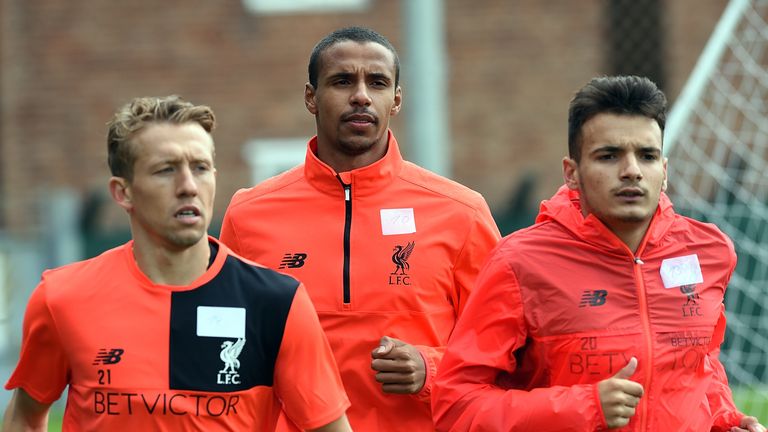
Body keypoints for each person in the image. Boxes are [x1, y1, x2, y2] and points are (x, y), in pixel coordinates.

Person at [431, 75, 766, 432]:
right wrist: (584, 407)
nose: (632, 171)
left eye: (647, 155)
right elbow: (455, 405)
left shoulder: (710, 251)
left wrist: (726, 420)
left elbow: (700, 366)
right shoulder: (520, 262)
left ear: (664, 172)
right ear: (572, 174)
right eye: (609, 156)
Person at [2, 96, 352, 431]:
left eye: (200, 168)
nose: (188, 186)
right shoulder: (63, 298)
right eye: (166, 170)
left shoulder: (277, 303)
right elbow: (26, 418)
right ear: (123, 192)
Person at [220, 27, 500, 431]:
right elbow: (224, 351)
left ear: (397, 100)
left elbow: (505, 349)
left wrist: (431, 368)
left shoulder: (462, 212)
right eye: (342, 80)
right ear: (310, 97)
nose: (361, 96)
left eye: (378, 82)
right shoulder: (248, 215)